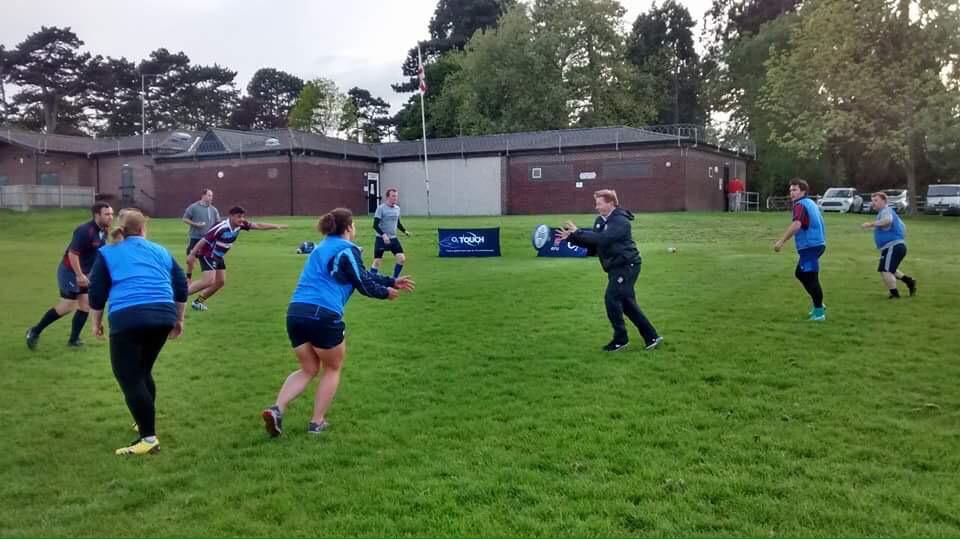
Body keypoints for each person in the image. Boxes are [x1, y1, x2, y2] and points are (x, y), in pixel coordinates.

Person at [262, 208, 415, 437]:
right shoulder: (347, 249)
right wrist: (386, 292)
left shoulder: (320, 247)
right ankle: (317, 422)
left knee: (308, 368)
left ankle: (277, 409)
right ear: (349, 227)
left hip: (295, 313)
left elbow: (359, 274)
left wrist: (392, 280)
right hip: (323, 313)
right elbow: (363, 283)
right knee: (332, 368)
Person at [88, 210, 188, 456]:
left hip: (128, 317)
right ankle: (144, 422)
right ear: (144, 230)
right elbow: (181, 286)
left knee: (129, 377)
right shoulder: (161, 251)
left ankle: (149, 438)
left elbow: (97, 293)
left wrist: (95, 323)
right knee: (142, 371)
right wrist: (179, 319)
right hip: (163, 315)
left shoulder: (108, 253)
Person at [556, 189, 663, 352]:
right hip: (615, 267)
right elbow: (595, 245)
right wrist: (571, 238)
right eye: (596, 203)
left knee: (611, 299)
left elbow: (604, 239)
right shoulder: (600, 221)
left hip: (627, 265)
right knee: (627, 304)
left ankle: (621, 339)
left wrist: (578, 232)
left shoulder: (621, 221)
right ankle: (652, 337)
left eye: (599, 203)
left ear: (611, 203)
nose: (596, 207)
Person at [26, 202, 114, 350]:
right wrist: (79, 275)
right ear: (97, 215)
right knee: (67, 306)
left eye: (112, 214)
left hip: (85, 274)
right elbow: (73, 254)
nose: (111, 217)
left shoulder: (103, 231)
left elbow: (98, 253)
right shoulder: (85, 230)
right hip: (69, 272)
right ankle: (34, 331)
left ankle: (73, 340)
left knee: (85, 306)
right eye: (107, 214)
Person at [186, 205, 287, 311]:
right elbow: (203, 240)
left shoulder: (240, 225)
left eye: (242, 216)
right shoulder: (221, 227)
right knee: (208, 281)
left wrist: (276, 226)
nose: (241, 219)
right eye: (239, 217)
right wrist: (192, 255)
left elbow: (258, 225)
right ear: (231, 216)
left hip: (219, 256)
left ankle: (197, 303)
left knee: (220, 282)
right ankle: (177, 296)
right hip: (208, 254)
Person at [774, 178, 827, 320]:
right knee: (800, 274)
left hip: (810, 246)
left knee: (811, 278)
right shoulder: (810, 203)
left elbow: (797, 224)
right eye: (790, 190)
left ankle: (819, 312)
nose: (791, 193)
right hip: (816, 244)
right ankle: (819, 304)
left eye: (795, 190)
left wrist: (781, 241)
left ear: (803, 191)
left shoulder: (800, 205)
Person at [861, 192, 917, 298]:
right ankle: (910, 281)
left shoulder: (886, 211)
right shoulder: (887, 212)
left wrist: (871, 224)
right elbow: (903, 226)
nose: (873, 203)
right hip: (896, 246)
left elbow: (888, 221)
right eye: (872, 201)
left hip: (893, 246)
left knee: (885, 270)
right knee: (890, 268)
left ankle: (894, 294)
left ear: (884, 201)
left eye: (876, 200)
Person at [371, 188, 411, 278]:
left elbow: (397, 222)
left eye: (396, 196)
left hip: (393, 238)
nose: (395, 198)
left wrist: (404, 231)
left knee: (401, 259)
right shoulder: (381, 208)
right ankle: (371, 279)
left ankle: (394, 279)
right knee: (377, 261)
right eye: (393, 196)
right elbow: (375, 225)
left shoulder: (397, 209)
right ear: (387, 197)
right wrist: (383, 235)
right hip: (381, 239)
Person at [182, 188, 220, 259]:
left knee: (207, 259)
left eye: (211, 196)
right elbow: (185, 219)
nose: (211, 198)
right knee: (191, 258)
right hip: (195, 237)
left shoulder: (214, 209)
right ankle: (188, 270)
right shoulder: (193, 207)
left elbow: (217, 223)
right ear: (203, 196)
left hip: (208, 239)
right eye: (209, 195)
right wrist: (196, 224)